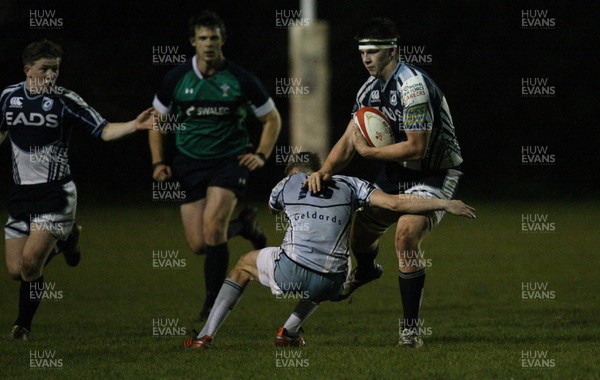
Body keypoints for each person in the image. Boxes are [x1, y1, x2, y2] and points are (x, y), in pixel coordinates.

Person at [183, 152, 475, 348]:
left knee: (244, 265)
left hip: (291, 272)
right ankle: (290, 331)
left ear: (292, 170)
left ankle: (204, 336)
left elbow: (275, 209)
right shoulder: (352, 183)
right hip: (334, 280)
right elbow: (396, 203)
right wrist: (444, 203)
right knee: (330, 264)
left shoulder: (285, 184)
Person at [306, 17, 464, 348]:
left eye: (373, 52)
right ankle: (365, 270)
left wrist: (369, 154)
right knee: (359, 236)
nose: (366, 58)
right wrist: (326, 171)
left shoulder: (413, 87)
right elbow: (351, 139)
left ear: (393, 51)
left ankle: (409, 329)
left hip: (431, 173)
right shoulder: (368, 89)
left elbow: (416, 147)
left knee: (405, 238)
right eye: (362, 52)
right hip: (396, 172)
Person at [0, 39, 155, 340]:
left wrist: (134, 125)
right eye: (44, 69)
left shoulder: (65, 100)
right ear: (27, 69)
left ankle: (22, 326)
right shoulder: (8, 97)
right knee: (16, 271)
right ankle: (67, 242)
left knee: (31, 264)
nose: (51, 76)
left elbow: (104, 130)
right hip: (21, 194)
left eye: (55, 70)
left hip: (55, 194)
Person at [149, 10, 282, 320]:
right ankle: (245, 226)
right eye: (203, 38)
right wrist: (158, 162)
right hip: (189, 164)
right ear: (193, 42)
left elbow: (271, 118)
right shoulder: (176, 79)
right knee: (198, 244)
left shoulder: (240, 79)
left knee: (212, 228)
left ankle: (212, 304)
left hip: (229, 162)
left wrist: (261, 154)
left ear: (223, 40)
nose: (209, 44)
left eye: (215, 38)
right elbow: (157, 121)